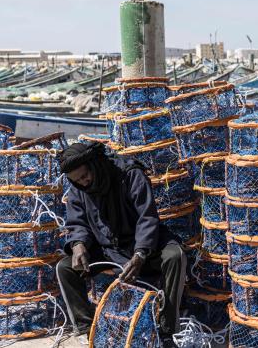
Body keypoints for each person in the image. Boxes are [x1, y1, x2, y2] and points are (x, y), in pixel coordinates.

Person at [55, 142, 185, 344]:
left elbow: (147, 217)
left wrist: (140, 254)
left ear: (94, 163)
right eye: (78, 180)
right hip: (109, 249)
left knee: (175, 256)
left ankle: (167, 329)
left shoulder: (130, 174)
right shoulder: (78, 189)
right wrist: (78, 243)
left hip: (145, 245)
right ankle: (87, 328)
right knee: (65, 268)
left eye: (85, 175)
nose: (84, 182)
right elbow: (77, 222)